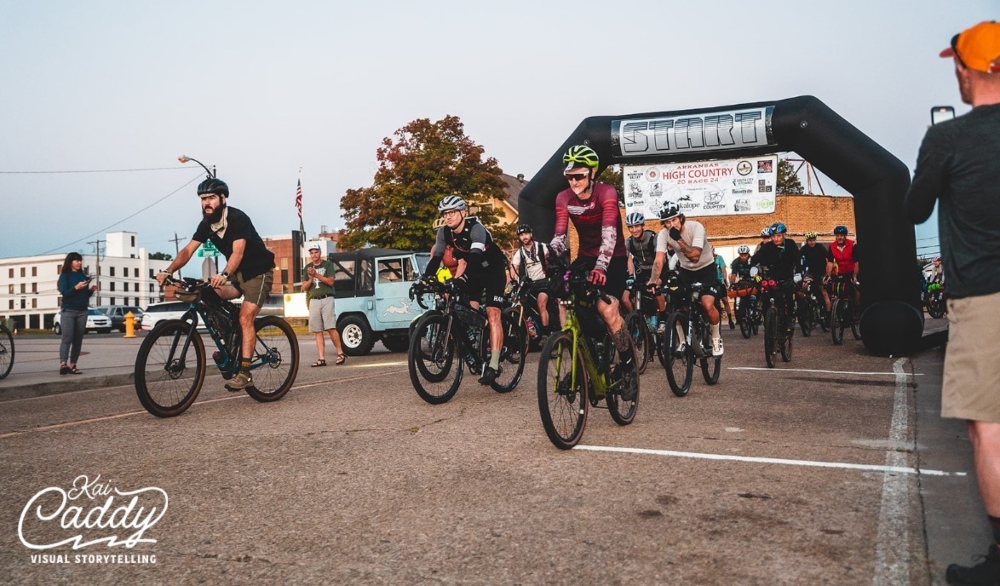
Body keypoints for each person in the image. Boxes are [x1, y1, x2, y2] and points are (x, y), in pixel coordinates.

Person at [903, 21, 1000, 586]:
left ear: (965, 70)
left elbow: (916, 209)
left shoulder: (948, 138)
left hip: (985, 298)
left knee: (988, 428)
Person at [156, 176, 276, 391]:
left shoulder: (238, 218)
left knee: (245, 318)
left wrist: (224, 273)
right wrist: (168, 270)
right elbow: (188, 250)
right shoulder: (207, 224)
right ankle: (230, 341)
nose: (206, 203)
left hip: (258, 273)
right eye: (203, 199)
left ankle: (245, 373)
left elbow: (238, 252)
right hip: (236, 275)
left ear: (222, 198)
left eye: (211, 197)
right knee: (207, 295)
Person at [549, 145, 632, 363]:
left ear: (592, 173)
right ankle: (584, 363)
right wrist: (549, 255)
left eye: (579, 176)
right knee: (568, 301)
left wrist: (601, 266)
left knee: (607, 308)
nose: (574, 182)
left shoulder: (607, 193)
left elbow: (609, 234)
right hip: (586, 255)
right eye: (569, 177)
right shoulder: (563, 198)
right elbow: (559, 236)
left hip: (613, 256)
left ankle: (627, 361)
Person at [422, 195, 508, 385]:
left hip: (492, 269)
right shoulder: (444, 233)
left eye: (452, 213)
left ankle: (493, 365)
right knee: (465, 307)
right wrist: (424, 280)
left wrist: (463, 279)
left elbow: (475, 257)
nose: (448, 217)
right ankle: (478, 344)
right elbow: (436, 259)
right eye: (445, 214)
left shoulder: (476, 229)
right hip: (475, 271)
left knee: (493, 313)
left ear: (462, 212)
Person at [648, 200, 724, 356]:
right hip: (686, 271)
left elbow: (695, 256)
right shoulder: (663, 234)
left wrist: (678, 240)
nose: (671, 224)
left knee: (707, 305)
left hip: (706, 269)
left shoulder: (696, 227)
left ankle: (716, 337)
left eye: (674, 220)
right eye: (667, 222)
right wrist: (654, 280)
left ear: (681, 218)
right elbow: (659, 259)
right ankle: (683, 341)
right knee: (676, 305)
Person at [750, 222, 802, 331]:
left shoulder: (790, 244)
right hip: (772, 278)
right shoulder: (767, 247)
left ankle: (789, 320)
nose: (776, 239)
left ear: (784, 235)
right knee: (765, 297)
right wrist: (753, 267)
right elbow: (754, 259)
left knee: (789, 296)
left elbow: (798, 259)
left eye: (778, 236)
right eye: (773, 236)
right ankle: (768, 321)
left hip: (787, 277)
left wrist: (798, 273)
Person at [509, 223, 560, 334]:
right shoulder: (520, 252)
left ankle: (547, 333)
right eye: (521, 235)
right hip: (531, 285)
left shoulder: (542, 247)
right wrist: (510, 282)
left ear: (531, 234)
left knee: (541, 303)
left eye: (526, 233)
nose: (524, 237)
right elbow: (513, 268)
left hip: (545, 283)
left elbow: (553, 260)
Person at [302, 243, 345, 366]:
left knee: (331, 327)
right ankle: (321, 358)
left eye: (316, 252)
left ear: (320, 253)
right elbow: (304, 287)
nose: (314, 254)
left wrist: (316, 275)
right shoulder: (307, 267)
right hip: (314, 299)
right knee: (317, 330)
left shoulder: (327, 265)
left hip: (327, 298)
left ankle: (340, 353)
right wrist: (310, 278)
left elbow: (330, 282)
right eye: (311, 252)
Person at [56, 252, 97, 375]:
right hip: (68, 310)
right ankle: (63, 364)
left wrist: (90, 291)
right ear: (70, 262)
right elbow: (65, 293)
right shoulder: (65, 276)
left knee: (78, 340)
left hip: (82, 311)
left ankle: (73, 365)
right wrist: (76, 288)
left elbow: (84, 295)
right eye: (76, 260)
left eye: (80, 260)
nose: (79, 263)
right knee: (67, 338)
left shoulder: (82, 276)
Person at [623, 212, 667, 322]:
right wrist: (630, 276)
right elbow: (628, 258)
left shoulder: (653, 238)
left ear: (642, 225)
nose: (634, 230)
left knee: (655, 288)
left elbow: (660, 259)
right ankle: (636, 320)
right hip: (642, 270)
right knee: (629, 294)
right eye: (631, 227)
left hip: (659, 268)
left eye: (637, 226)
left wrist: (654, 278)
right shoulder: (628, 242)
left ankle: (663, 319)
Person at [799, 231, 834, 315]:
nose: (812, 242)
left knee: (823, 292)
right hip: (811, 271)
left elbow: (828, 259)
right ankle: (807, 303)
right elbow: (798, 258)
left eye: (813, 240)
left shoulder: (820, 247)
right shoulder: (804, 248)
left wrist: (827, 273)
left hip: (821, 271)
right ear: (807, 241)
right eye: (810, 240)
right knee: (804, 284)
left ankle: (829, 314)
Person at [829, 225, 861, 310]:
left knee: (856, 288)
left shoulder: (852, 245)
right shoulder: (832, 247)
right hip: (842, 272)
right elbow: (830, 263)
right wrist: (828, 276)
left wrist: (854, 276)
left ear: (845, 236)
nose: (839, 237)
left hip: (853, 271)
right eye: (837, 235)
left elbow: (857, 262)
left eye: (841, 235)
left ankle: (857, 309)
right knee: (837, 288)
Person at [714, 252, 735, 329]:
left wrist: (725, 279)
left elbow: (723, 269)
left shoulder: (719, 258)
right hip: (711, 282)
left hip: (720, 281)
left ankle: (730, 320)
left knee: (725, 300)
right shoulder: (706, 259)